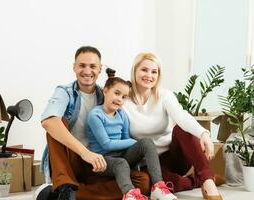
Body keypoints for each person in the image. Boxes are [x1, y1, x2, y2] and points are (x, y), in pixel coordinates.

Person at [37, 46, 150, 200]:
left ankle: (67, 194)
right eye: (82, 66)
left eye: (93, 66)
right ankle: (64, 185)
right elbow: (48, 122)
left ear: (100, 69)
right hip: (73, 160)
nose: (87, 71)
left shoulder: (107, 94)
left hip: (100, 163)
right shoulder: (65, 92)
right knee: (56, 122)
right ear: (74, 67)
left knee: (143, 182)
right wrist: (86, 153)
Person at [122, 52, 223, 200]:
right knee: (167, 185)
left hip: (175, 156)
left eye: (154, 71)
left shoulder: (164, 95)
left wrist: (204, 133)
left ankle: (208, 181)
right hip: (150, 164)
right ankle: (195, 181)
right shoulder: (123, 100)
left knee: (181, 128)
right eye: (144, 70)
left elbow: (182, 116)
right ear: (134, 70)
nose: (149, 75)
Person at [86, 68, 178, 200]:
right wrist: (134, 142)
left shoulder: (121, 114)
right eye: (116, 93)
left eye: (123, 97)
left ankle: (158, 186)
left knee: (146, 142)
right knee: (121, 163)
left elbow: (125, 138)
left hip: (122, 156)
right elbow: (106, 144)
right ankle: (129, 194)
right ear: (105, 91)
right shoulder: (95, 115)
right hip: (103, 160)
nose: (119, 99)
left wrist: (136, 151)